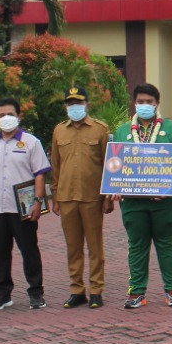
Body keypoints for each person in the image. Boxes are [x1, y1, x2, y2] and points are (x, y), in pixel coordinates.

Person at [113, 83, 172, 309]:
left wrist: (166, 188)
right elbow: (115, 163)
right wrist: (115, 185)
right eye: (141, 101)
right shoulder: (122, 131)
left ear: (157, 104)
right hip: (133, 202)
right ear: (134, 103)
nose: (145, 105)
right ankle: (136, 292)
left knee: (166, 243)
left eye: (149, 102)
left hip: (164, 201)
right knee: (137, 244)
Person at [0, 98, 50, 311]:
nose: (5, 119)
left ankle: (36, 292)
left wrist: (37, 201)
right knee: (0, 252)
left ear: (19, 116)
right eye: (1, 115)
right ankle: (2, 294)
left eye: (9, 114)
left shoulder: (31, 142)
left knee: (29, 250)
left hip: (23, 207)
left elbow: (40, 174)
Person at [49, 86, 114, 309]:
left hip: (92, 196)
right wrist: (55, 196)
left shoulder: (100, 130)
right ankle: (76, 289)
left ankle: (96, 289)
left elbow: (109, 165)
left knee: (95, 246)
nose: (74, 107)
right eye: (70, 103)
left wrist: (107, 196)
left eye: (79, 103)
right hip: (67, 196)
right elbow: (55, 165)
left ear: (87, 104)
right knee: (73, 246)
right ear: (66, 106)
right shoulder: (59, 131)